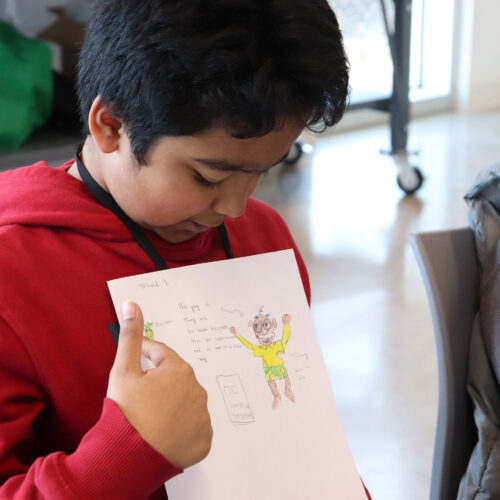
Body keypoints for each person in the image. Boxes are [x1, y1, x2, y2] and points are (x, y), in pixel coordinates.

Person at [0, 0, 366, 498]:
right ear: (110, 125)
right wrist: (125, 453)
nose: (237, 208)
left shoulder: (263, 238)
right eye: (207, 176)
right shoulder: (14, 273)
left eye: (262, 170)